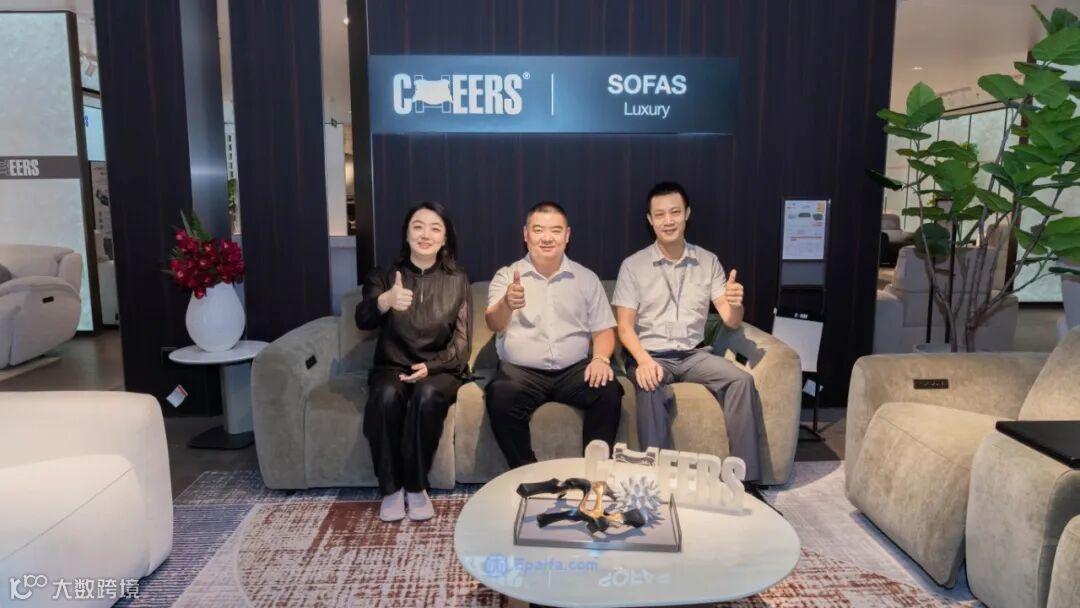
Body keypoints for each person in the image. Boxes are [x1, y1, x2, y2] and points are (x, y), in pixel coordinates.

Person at [613, 181, 763, 483]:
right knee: (649, 384)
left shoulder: (708, 262)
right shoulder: (633, 266)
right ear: (650, 220)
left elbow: (731, 320)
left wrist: (736, 304)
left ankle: (744, 481)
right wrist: (643, 361)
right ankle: (658, 481)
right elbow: (624, 328)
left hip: (694, 355)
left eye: (675, 212)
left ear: (687, 214)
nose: (668, 221)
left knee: (741, 380)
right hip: (651, 354)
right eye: (660, 215)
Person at [355, 201, 470, 522]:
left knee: (427, 394)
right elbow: (362, 319)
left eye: (435, 228)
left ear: (445, 238)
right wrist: (385, 300)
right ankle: (392, 489)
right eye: (418, 227)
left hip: (440, 367)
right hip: (392, 366)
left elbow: (462, 344)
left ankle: (416, 486)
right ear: (406, 234)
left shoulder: (457, 279)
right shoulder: (384, 275)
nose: (425, 235)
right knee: (385, 396)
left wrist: (432, 367)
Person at [484, 201, 622, 469]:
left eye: (555, 230)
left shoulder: (586, 278)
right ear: (526, 234)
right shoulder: (507, 276)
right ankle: (527, 472)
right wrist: (507, 303)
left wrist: (600, 359)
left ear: (567, 236)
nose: (547, 238)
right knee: (499, 395)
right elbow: (493, 323)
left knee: (608, 390)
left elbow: (604, 330)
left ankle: (594, 471)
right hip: (521, 372)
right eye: (538, 230)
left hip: (573, 371)